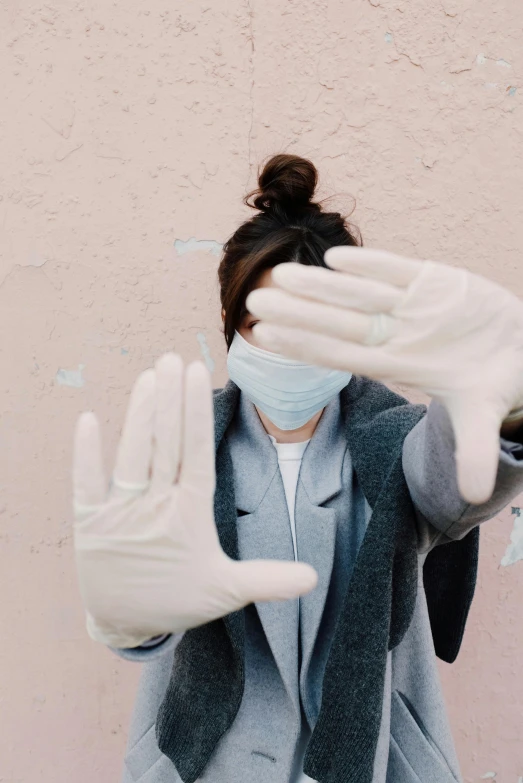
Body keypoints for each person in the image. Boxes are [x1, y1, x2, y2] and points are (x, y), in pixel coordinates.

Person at [72, 154, 523, 783]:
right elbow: (150, 599)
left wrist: (505, 401)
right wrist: (133, 619)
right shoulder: (186, 450)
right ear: (231, 327)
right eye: (261, 326)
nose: (282, 349)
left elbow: (454, 474)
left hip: (374, 761)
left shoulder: (394, 443)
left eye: (307, 329)